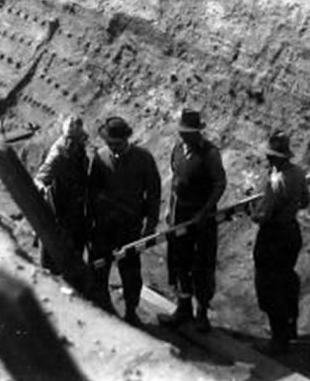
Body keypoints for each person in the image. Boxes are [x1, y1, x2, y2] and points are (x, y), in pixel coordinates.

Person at [86, 115, 161, 327]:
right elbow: (92, 191)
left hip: (129, 226)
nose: (113, 148)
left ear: (126, 140)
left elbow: (154, 193)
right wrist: (92, 221)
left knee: (131, 272)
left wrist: (151, 224)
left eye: (117, 144)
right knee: (99, 268)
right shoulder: (99, 158)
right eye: (109, 144)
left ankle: (130, 310)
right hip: (104, 227)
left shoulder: (143, 159)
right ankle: (102, 307)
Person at [160, 108, 226, 333]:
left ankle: (202, 313)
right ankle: (183, 307)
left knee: (202, 263)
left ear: (198, 132)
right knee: (179, 260)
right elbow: (176, 181)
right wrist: (171, 210)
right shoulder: (178, 149)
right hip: (180, 213)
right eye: (182, 131)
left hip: (202, 217)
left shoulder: (210, 153)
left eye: (189, 132)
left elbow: (219, 184)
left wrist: (205, 211)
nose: (184, 136)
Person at [249, 130, 310, 355]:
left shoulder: (276, 179)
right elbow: (305, 201)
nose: (267, 159)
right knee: (286, 279)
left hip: (273, 237)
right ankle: (290, 326)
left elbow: (262, 215)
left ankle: (278, 339)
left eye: (270, 156)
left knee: (268, 285)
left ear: (276, 158)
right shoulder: (298, 173)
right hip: (291, 232)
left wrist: (253, 212)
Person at [34, 115, 90, 273]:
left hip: (77, 211)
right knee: (50, 261)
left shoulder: (80, 152)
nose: (73, 143)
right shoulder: (58, 153)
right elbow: (40, 178)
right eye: (71, 139)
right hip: (58, 213)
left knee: (75, 258)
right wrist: (42, 189)